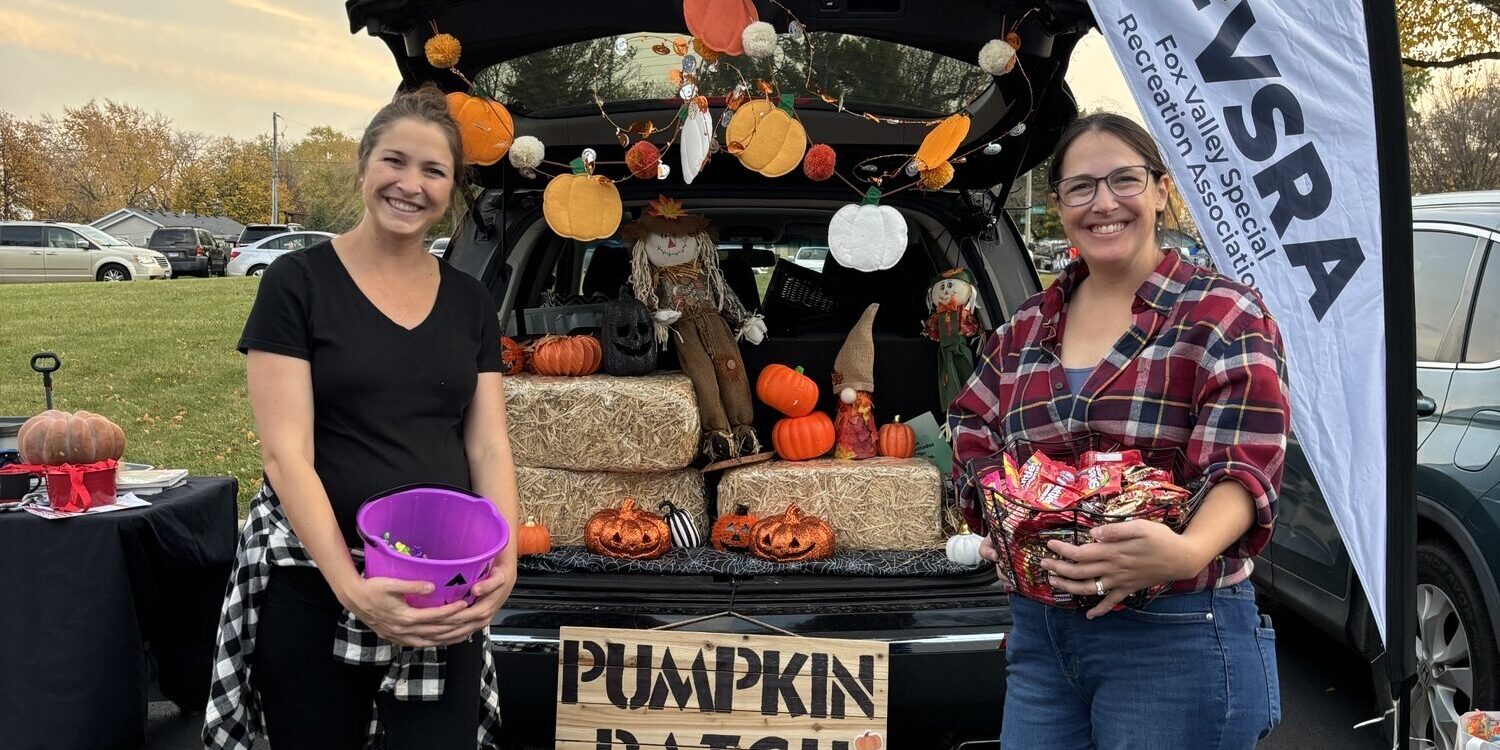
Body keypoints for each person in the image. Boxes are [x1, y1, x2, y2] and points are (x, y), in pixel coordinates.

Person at [948, 112, 1290, 748]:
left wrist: (1186, 550)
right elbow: (971, 424)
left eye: (1124, 180)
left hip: (1175, 632)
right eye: (1081, 187)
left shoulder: (1222, 315)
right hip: (1043, 636)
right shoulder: (1025, 327)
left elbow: (1246, 461)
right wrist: (1000, 517)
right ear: (1058, 206)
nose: (1103, 203)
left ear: (1161, 191)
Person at [203, 84, 518, 750]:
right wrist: (353, 588)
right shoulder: (298, 283)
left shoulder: (469, 302)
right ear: (364, 164)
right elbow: (285, 453)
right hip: (313, 579)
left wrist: (507, 557)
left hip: (444, 585)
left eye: (433, 170)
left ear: (453, 186)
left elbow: (488, 446)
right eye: (395, 162)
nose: (411, 184)